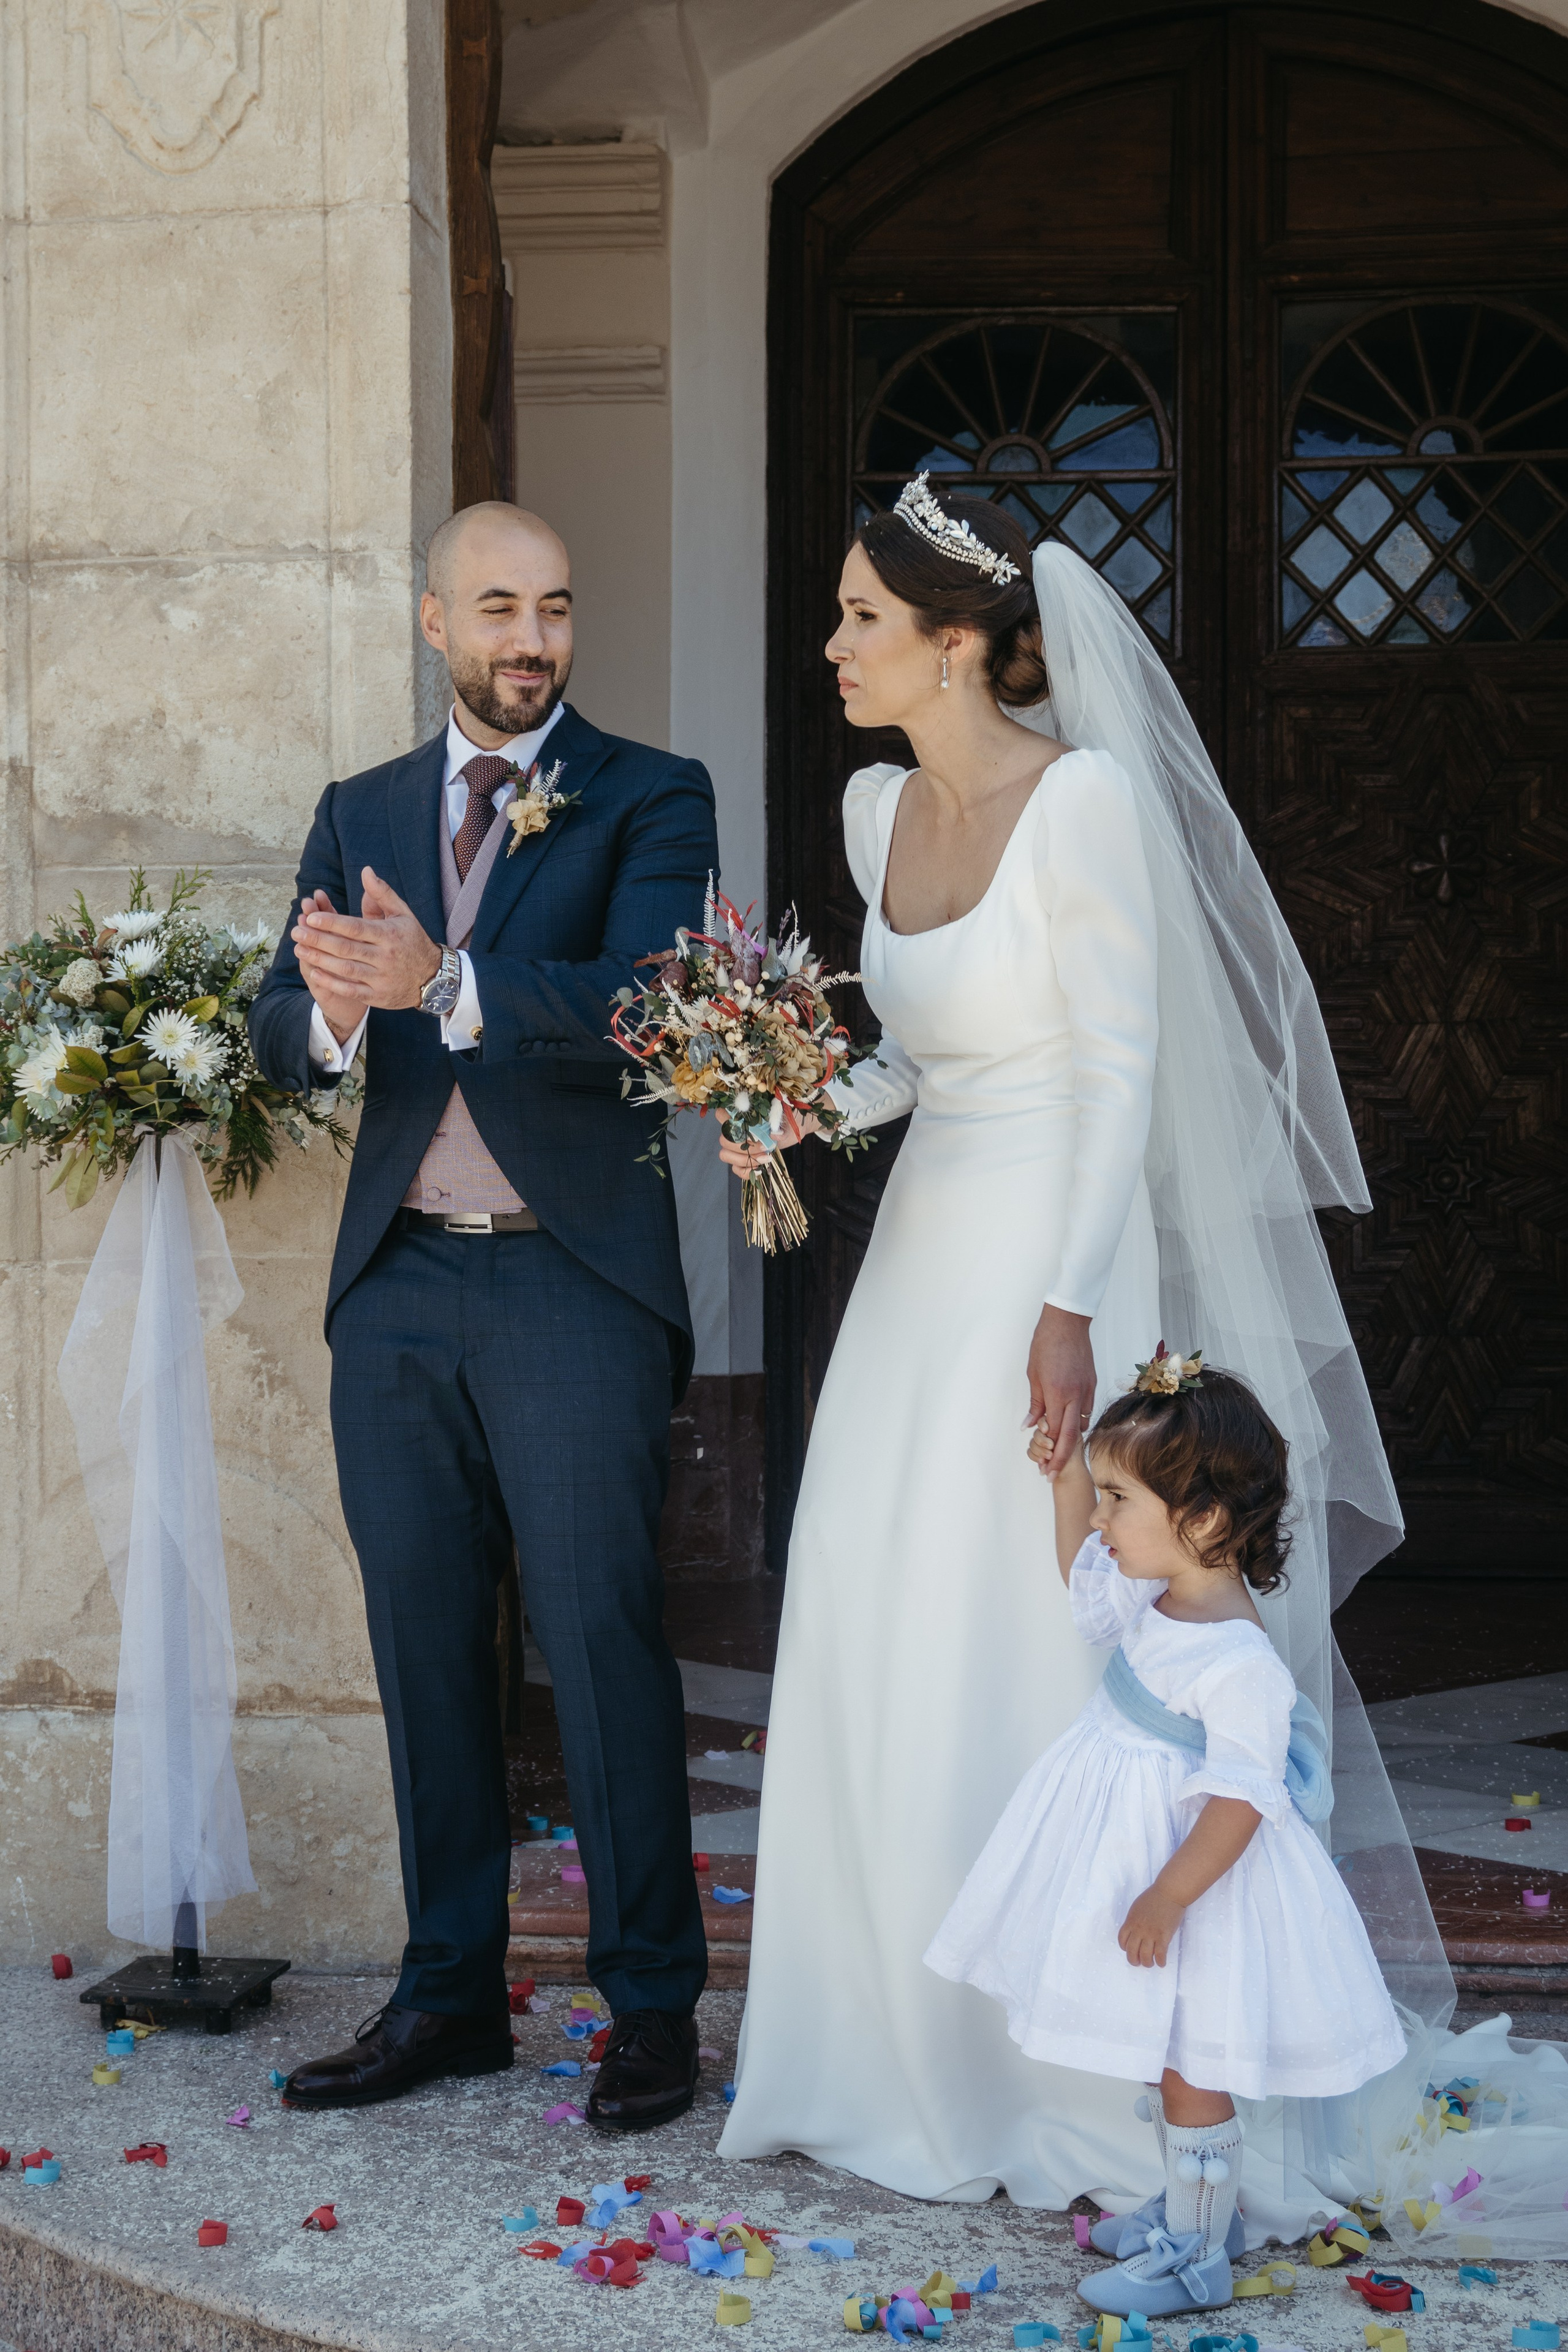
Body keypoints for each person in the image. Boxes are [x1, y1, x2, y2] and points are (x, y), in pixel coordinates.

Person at [717, 477, 1441, 2231]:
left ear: (958, 643)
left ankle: (1080, 2061)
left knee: (1040, 1623)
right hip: (920, 1259)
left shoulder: (1089, 800)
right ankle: (882, 2046)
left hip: (1062, 1254)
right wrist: (788, 1102)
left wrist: (1066, 1313)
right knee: (883, 1597)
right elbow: (930, 1056)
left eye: (861, 621)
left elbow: (1116, 1067)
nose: (832, 647)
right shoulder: (873, 801)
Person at [249, 502, 718, 2129]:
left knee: (598, 1641)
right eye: (501, 607)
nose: (535, 638)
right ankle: (448, 1993)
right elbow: (278, 1022)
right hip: (398, 1289)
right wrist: (317, 1008)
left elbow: (657, 998)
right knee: (423, 1648)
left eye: (560, 608)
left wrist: (442, 981)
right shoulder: (358, 807)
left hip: (568, 1281)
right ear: (436, 622)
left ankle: (651, 2005)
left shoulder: (652, 792)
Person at [926, 1357, 1404, 2321]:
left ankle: (1195, 2256)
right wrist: (1067, 1482)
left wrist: (1170, 1895)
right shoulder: (1161, 1596)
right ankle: (1198, 2213)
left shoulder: (1237, 1661)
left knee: (1193, 2068)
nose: (1102, 1520)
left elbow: (1239, 1798)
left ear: (1205, 1522)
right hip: (1144, 1860)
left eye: (1118, 1498)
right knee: (1168, 2057)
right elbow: (1082, 1578)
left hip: (1207, 1891)